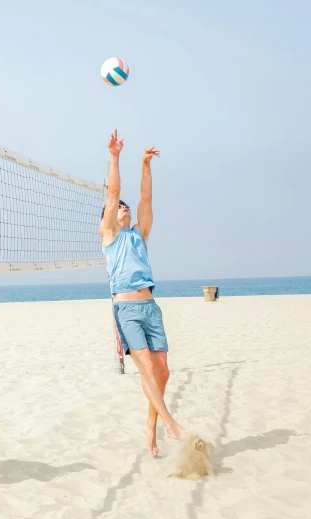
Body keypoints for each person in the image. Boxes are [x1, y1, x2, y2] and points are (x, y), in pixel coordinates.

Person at [99, 129, 184, 456]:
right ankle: (170, 425)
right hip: (127, 310)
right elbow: (114, 193)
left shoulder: (139, 234)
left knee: (163, 371)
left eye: (124, 208)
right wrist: (115, 156)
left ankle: (150, 428)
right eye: (119, 207)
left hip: (151, 308)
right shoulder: (109, 235)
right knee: (147, 368)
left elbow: (145, 199)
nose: (124, 208)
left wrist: (145, 164)